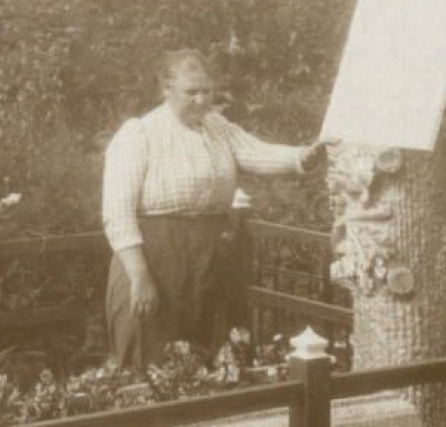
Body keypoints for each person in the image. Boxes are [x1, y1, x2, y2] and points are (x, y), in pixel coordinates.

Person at [101, 50, 328, 370]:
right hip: (155, 255)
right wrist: (139, 275)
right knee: (149, 350)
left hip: (209, 254)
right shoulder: (139, 134)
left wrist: (303, 157)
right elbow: (117, 213)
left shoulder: (217, 127)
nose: (200, 100)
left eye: (206, 91)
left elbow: (256, 152)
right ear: (165, 89)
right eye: (190, 92)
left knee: (210, 349)